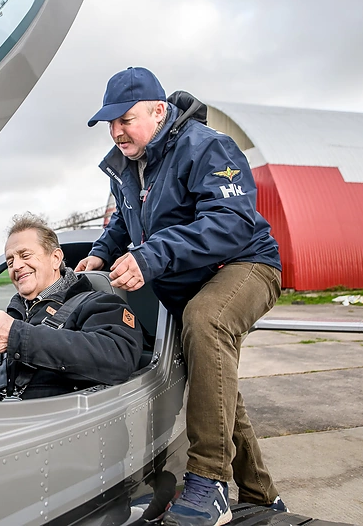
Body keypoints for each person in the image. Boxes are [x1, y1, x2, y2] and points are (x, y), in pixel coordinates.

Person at [75, 67, 286, 526]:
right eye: (109, 123)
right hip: (193, 278)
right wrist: (100, 252)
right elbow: (124, 220)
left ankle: (209, 483)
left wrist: (151, 257)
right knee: (215, 378)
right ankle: (261, 496)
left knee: (206, 320)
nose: (116, 131)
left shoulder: (207, 147)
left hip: (245, 263)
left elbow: (231, 222)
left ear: (158, 111)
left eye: (125, 119)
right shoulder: (125, 166)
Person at [0, 213, 144, 401]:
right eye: (10, 262)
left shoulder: (100, 304)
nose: (16, 266)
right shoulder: (7, 318)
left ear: (55, 258)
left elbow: (119, 357)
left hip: (53, 424)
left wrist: (15, 337)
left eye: (25, 255)